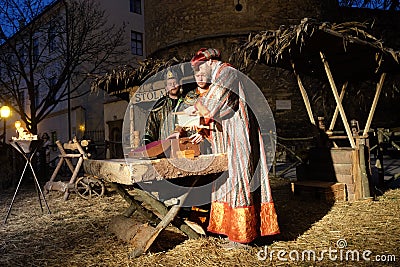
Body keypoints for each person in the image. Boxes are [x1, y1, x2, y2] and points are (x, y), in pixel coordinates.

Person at [189, 48, 280, 245]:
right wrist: (202, 131)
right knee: (227, 182)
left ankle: (243, 237)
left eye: (200, 67)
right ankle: (229, 230)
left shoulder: (227, 73)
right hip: (227, 137)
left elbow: (210, 106)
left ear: (210, 62)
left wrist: (195, 106)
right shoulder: (218, 76)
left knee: (240, 180)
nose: (200, 73)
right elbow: (220, 112)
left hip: (239, 137)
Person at [142, 69, 184, 145]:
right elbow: (150, 129)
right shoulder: (159, 107)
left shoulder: (186, 103)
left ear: (179, 84)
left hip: (184, 146)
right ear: (166, 87)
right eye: (170, 84)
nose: (173, 86)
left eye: (175, 83)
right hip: (165, 148)